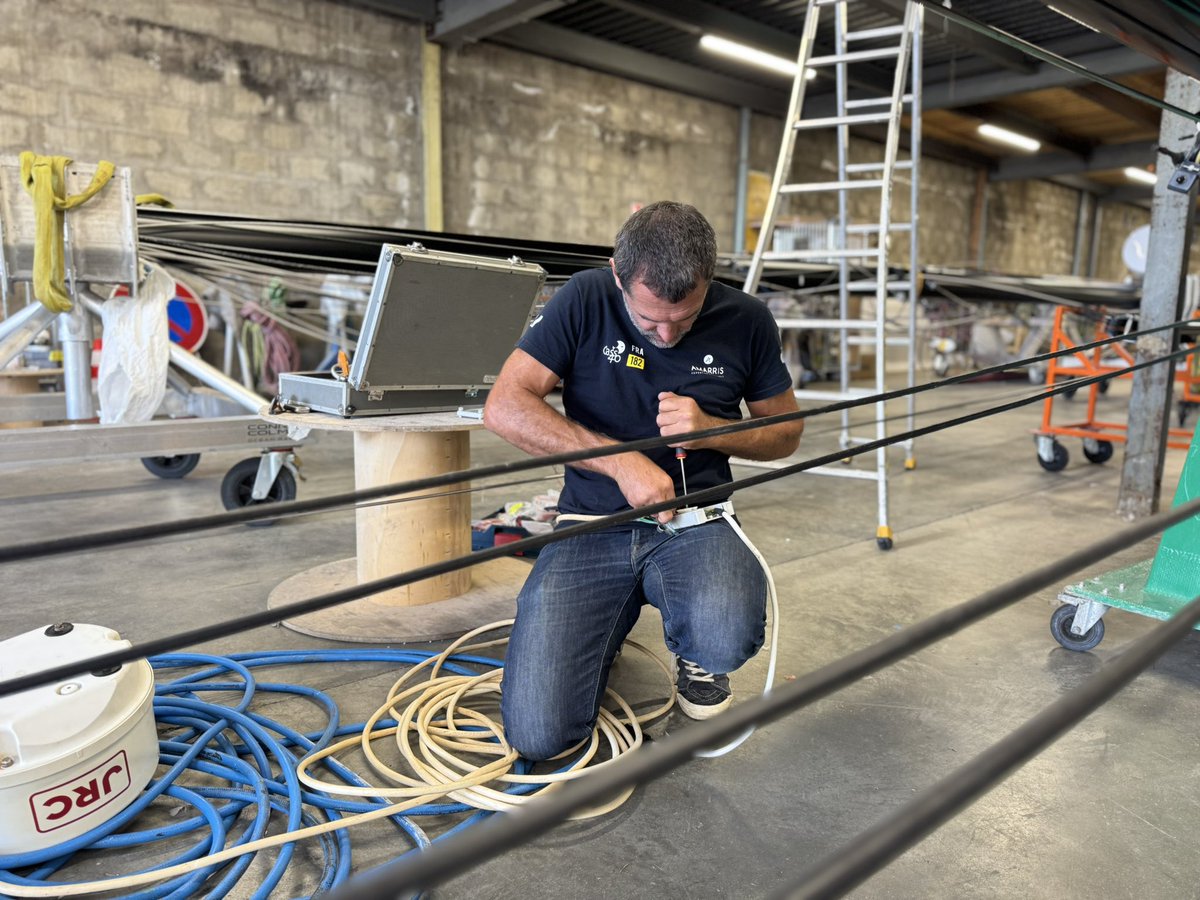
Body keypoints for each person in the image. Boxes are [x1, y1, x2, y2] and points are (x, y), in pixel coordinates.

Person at [484, 201, 803, 761]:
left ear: (709, 277)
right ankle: (594, 639)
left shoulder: (748, 319)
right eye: (649, 318)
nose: (666, 334)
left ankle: (696, 657)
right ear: (617, 274)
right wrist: (620, 463)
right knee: (539, 736)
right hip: (590, 520)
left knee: (724, 633)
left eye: (685, 317)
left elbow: (786, 434)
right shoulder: (584, 298)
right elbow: (505, 406)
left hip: (697, 522)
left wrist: (712, 431)